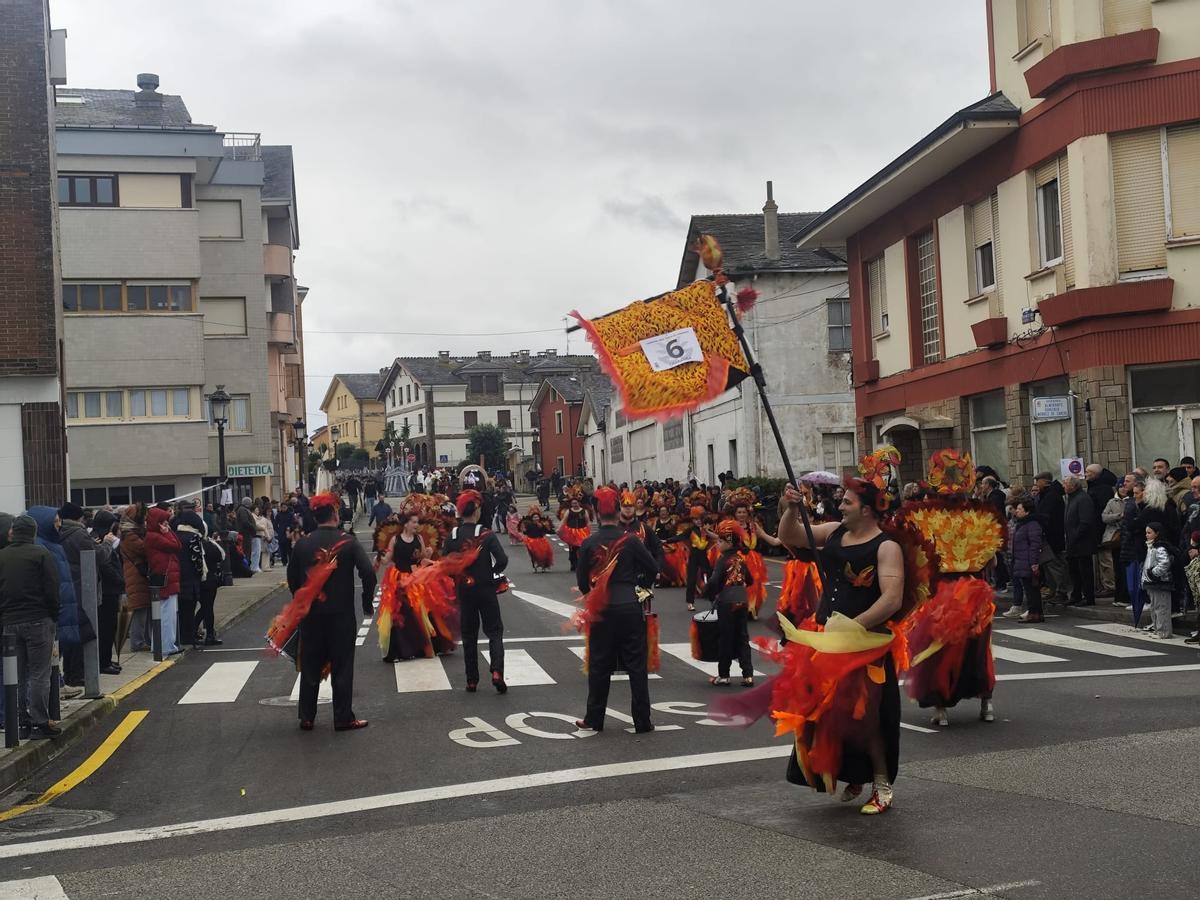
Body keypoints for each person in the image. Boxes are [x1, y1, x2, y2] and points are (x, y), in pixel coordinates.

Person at [778, 468, 906, 815]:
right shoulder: (835, 531)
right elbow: (792, 536)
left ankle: (881, 783)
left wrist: (853, 628)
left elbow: (891, 598)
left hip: (865, 644)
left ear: (867, 509)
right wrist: (791, 507)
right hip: (825, 637)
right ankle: (853, 773)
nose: (840, 504)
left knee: (867, 717)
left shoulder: (886, 547)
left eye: (847, 501)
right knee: (829, 714)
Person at [286, 492, 376, 731]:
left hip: (312, 614)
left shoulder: (303, 544)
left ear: (315, 517)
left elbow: (292, 578)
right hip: (341, 614)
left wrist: (301, 600)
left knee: (310, 664)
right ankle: (343, 717)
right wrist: (367, 602)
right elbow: (368, 572)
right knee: (342, 665)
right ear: (335, 513)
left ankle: (307, 716)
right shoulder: (348, 542)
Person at [573, 487, 659, 734]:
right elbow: (653, 567)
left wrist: (594, 590)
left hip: (602, 609)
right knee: (636, 665)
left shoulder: (590, 542)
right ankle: (642, 721)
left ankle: (594, 718)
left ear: (598, 513)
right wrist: (638, 583)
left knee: (599, 664)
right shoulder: (631, 540)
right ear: (618, 511)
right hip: (629, 606)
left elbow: (581, 583)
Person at [0, 515, 62, 738]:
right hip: (38, 619)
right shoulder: (41, 554)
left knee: (15, 675)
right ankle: (39, 721)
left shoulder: (2, 556)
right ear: (33, 533)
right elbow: (52, 590)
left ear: (13, 532)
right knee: (39, 673)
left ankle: (19, 721)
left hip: (9, 623)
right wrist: (53, 616)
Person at [442, 490, 508, 693]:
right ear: (477, 510)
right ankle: (496, 671)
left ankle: (472, 680)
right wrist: (491, 571)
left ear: (460, 512)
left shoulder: (453, 536)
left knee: (469, 634)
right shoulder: (486, 534)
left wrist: (457, 577)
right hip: (486, 588)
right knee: (494, 631)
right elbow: (503, 560)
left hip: (464, 590)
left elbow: (445, 564)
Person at [705, 520, 754, 687]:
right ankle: (748, 675)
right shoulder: (741, 559)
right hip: (743, 600)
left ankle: (724, 675)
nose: (717, 544)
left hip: (727, 602)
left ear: (730, 542)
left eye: (720, 541)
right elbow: (750, 580)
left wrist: (710, 594)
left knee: (725, 638)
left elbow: (713, 582)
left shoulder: (722, 560)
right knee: (742, 637)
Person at [57, 502, 97, 686]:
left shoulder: (55, 534)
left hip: (64, 587)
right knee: (82, 630)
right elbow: (98, 556)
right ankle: (77, 674)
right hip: (81, 586)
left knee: (68, 632)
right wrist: (105, 545)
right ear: (78, 517)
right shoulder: (80, 534)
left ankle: (69, 673)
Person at [144, 506, 182, 655]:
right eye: (163, 521)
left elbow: (176, 545)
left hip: (166, 579)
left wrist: (167, 531)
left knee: (167, 614)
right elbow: (175, 545)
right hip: (165, 580)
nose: (166, 524)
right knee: (167, 615)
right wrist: (168, 532)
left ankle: (164, 645)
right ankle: (166, 646)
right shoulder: (154, 537)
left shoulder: (152, 536)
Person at [90, 510, 123, 674]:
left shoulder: (100, 538)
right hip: (106, 590)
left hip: (111, 589)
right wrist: (119, 579)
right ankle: (103, 662)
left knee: (111, 627)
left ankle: (107, 659)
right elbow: (104, 563)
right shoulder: (99, 540)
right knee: (106, 628)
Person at [1033, 472, 1070, 603]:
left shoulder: (1052, 496)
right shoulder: (1048, 495)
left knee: (1055, 565)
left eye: (1038, 481)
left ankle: (1061, 591)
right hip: (1049, 536)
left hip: (1052, 536)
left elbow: (1047, 516)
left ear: (1044, 481)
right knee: (1048, 565)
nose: (1036, 484)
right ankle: (1054, 590)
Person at [120, 505, 151, 652]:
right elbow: (144, 548)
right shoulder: (130, 535)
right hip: (135, 575)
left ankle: (143, 640)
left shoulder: (132, 533)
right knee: (140, 608)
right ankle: (137, 642)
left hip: (137, 574)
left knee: (144, 608)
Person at [1063, 475, 1097, 607]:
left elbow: (1085, 522)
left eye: (1065, 483)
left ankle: (1088, 597)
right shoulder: (1071, 498)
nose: (1064, 486)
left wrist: (1075, 535)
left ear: (1073, 486)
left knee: (1085, 572)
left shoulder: (1083, 499)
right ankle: (1076, 595)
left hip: (1082, 543)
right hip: (1072, 543)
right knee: (1074, 571)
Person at [1009, 497, 1044, 623]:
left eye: (1019, 509)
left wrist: (1034, 563)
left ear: (1027, 511)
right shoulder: (1022, 524)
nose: (1016, 511)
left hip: (1028, 562)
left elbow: (1035, 544)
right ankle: (1035, 613)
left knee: (1032, 590)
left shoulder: (1032, 524)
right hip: (1022, 561)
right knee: (1030, 589)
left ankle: (1034, 613)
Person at [1142, 522, 1174, 639]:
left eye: (1149, 533)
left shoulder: (1160, 548)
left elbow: (1164, 563)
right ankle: (1157, 629)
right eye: (1146, 532)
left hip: (1160, 582)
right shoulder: (1151, 547)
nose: (1146, 535)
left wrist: (1153, 573)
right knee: (1155, 607)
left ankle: (1164, 631)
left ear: (1157, 533)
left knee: (1162, 608)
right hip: (1153, 582)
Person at [235, 497, 257, 574]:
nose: (251, 504)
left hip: (246, 533)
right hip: (245, 534)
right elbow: (245, 522)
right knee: (246, 551)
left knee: (247, 551)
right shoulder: (242, 510)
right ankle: (246, 569)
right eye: (251, 502)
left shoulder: (243, 509)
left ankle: (247, 568)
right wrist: (252, 528)